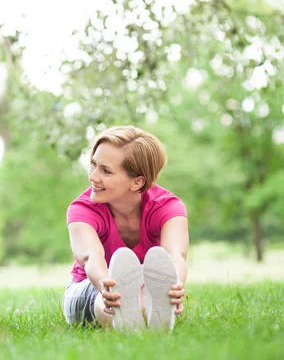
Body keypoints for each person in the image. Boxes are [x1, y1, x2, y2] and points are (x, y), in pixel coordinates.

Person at [62, 126, 189, 330]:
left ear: (137, 182)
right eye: (93, 164)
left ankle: (148, 310)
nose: (92, 176)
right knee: (107, 302)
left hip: (143, 286)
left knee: (144, 289)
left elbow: (175, 254)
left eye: (106, 171)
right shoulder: (82, 209)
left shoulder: (168, 207)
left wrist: (174, 287)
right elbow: (90, 258)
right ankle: (129, 316)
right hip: (89, 288)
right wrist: (106, 286)